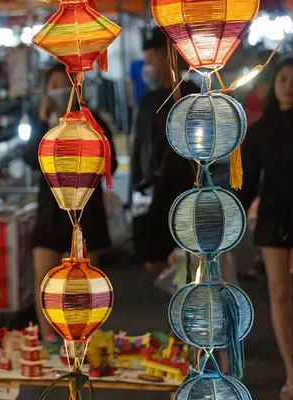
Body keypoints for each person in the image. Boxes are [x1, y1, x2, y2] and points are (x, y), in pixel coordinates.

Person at [23, 64, 118, 341]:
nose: (58, 91)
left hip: (86, 214)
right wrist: (42, 122)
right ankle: (49, 343)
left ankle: (82, 340)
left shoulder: (95, 121)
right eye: (52, 86)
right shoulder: (40, 124)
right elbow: (30, 159)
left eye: (63, 85)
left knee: (82, 288)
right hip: (49, 215)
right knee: (46, 285)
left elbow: (109, 163)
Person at [237, 56, 293, 400]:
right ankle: (291, 373)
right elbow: (247, 182)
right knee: (279, 295)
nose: (290, 86)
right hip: (274, 216)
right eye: (283, 80)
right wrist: (231, 211)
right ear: (274, 84)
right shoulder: (261, 129)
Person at [130, 28, 197, 276]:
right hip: (155, 188)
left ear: (168, 57)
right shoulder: (148, 100)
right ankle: (179, 300)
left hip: (186, 187)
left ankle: (185, 302)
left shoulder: (191, 94)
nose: (148, 69)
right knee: (156, 261)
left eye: (150, 62)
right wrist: (138, 183)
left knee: (184, 257)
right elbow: (139, 145)